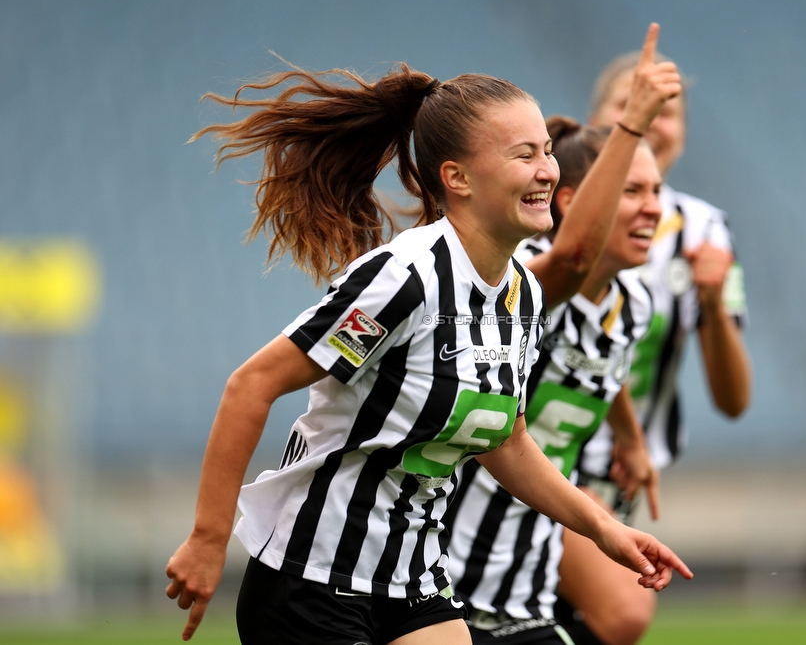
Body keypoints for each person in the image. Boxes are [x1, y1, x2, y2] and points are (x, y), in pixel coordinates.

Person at [163, 32, 692, 645]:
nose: (547, 169)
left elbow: (508, 441)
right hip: (312, 578)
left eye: (547, 151)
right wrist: (207, 537)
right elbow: (251, 385)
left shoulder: (522, 294)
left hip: (413, 576)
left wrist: (604, 530)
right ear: (457, 178)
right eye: (525, 155)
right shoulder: (405, 278)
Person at [447, 44, 677, 640]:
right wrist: (631, 125)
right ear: (575, 204)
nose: (653, 209)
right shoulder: (522, 278)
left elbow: (600, 366)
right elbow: (572, 259)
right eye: (632, 192)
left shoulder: (634, 306)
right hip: (447, 579)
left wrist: (629, 437)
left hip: (524, 584)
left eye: (656, 193)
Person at [555, 50, 753, 645]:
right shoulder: (560, 219)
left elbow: (734, 400)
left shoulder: (705, 232)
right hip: (548, 457)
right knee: (620, 616)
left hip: (620, 483)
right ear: (603, 125)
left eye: (672, 112)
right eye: (637, 105)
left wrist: (714, 305)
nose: (655, 123)